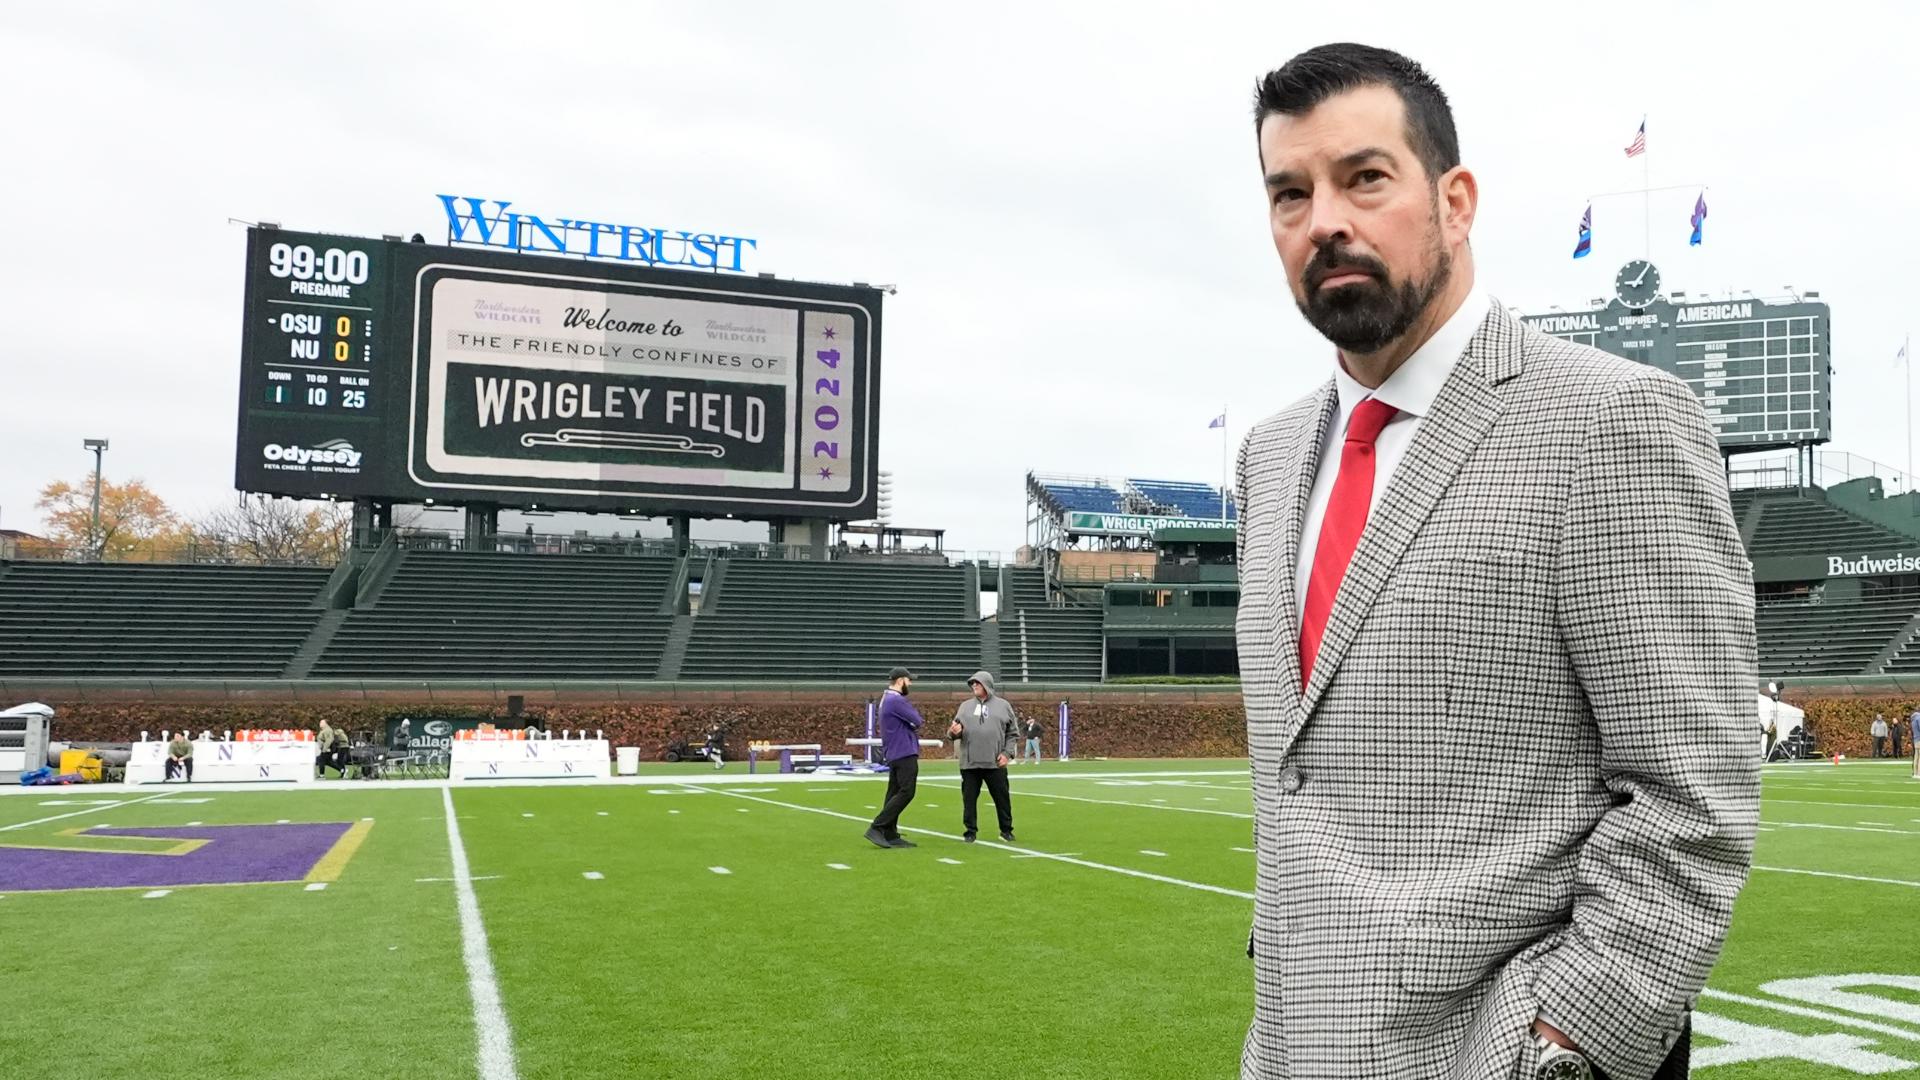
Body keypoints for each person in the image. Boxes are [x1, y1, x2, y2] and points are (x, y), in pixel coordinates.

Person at [1234, 45, 1756, 1080]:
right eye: (1290, 193)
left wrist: (1567, 1045)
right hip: (1295, 1046)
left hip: (1501, 1054)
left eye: (1365, 178)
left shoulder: (1612, 422)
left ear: (1455, 200)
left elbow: (1691, 794)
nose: (1324, 218)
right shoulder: (1271, 454)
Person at [948, 671, 1019, 843]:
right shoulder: (964, 706)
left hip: (995, 762)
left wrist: (1007, 754)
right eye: (972, 683)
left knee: (1002, 798)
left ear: (987, 684)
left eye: (977, 683)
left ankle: (1006, 830)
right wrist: (953, 732)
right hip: (970, 763)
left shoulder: (1003, 706)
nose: (974, 686)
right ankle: (970, 831)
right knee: (969, 799)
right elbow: (953, 732)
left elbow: (1013, 734)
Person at [865, 668, 923, 849]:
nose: (910, 684)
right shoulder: (896, 700)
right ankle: (878, 826)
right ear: (900, 681)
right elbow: (918, 721)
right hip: (904, 751)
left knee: (893, 792)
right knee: (907, 791)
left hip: (894, 752)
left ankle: (889, 833)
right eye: (908, 680)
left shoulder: (886, 699)